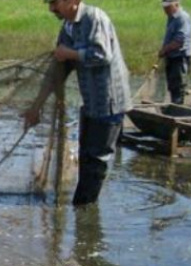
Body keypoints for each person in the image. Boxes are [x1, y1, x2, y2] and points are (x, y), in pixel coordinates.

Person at [23, 0, 132, 207]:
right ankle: (83, 209)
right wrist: (36, 107)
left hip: (109, 102)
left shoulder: (94, 18)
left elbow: (103, 54)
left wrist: (69, 53)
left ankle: (85, 214)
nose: (51, 9)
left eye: (55, 2)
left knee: (96, 161)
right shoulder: (67, 27)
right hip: (90, 103)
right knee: (86, 158)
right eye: (49, 3)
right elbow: (57, 71)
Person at [158, 0, 191, 105]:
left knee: (178, 87)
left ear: (176, 4)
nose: (165, 10)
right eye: (164, 7)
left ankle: (178, 108)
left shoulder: (182, 18)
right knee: (172, 87)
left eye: (168, 7)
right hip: (171, 58)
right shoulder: (171, 18)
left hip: (179, 58)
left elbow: (179, 41)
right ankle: (174, 105)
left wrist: (165, 50)